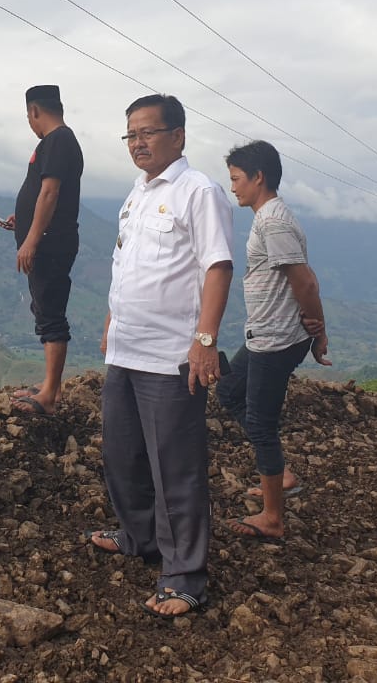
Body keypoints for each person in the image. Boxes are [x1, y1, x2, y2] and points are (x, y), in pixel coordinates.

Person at [89, 94, 234, 618]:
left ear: (179, 136)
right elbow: (123, 263)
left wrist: (205, 341)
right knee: (122, 455)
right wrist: (112, 320)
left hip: (172, 355)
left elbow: (217, 267)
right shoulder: (136, 194)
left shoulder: (199, 192)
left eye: (148, 132)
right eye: (130, 134)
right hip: (126, 349)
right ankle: (139, 537)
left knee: (175, 468)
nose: (138, 143)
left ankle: (184, 576)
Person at [219, 139, 330, 545]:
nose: (232, 188)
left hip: (276, 338)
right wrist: (317, 333)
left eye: (236, 179)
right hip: (268, 333)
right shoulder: (270, 217)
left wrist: (318, 332)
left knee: (262, 425)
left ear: (258, 177)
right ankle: (279, 476)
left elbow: (305, 281)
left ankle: (272, 517)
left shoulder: (273, 222)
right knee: (229, 390)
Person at [0, 85, 85, 417]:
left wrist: (31, 239)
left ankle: (50, 393)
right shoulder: (54, 142)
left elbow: (50, 192)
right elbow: (45, 196)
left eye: (29, 117)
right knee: (44, 307)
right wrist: (23, 221)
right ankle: (50, 383)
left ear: (34, 111)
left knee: (51, 313)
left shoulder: (58, 140)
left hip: (50, 243)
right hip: (45, 237)